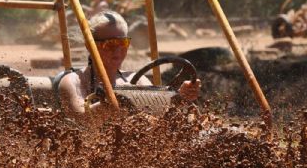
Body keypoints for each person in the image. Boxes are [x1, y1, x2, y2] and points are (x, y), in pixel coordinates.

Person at [58, 11, 201, 114]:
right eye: (110, 44)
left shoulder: (137, 81)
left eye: (123, 42)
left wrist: (180, 97)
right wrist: (113, 103)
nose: (118, 50)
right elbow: (81, 119)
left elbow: (160, 114)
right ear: (90, 46)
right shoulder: (74, 82)